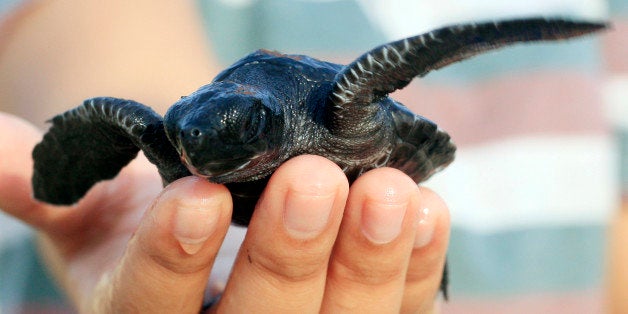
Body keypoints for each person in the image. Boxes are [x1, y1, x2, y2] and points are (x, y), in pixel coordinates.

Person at [0, 1, 450, 312]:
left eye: (243, 130)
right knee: (125, 115)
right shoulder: (179, 143)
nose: (195, 149)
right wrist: (134, 205)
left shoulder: (340, 109)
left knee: (406, 216)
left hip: (372, 154)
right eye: (184, 137)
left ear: (264, 120)